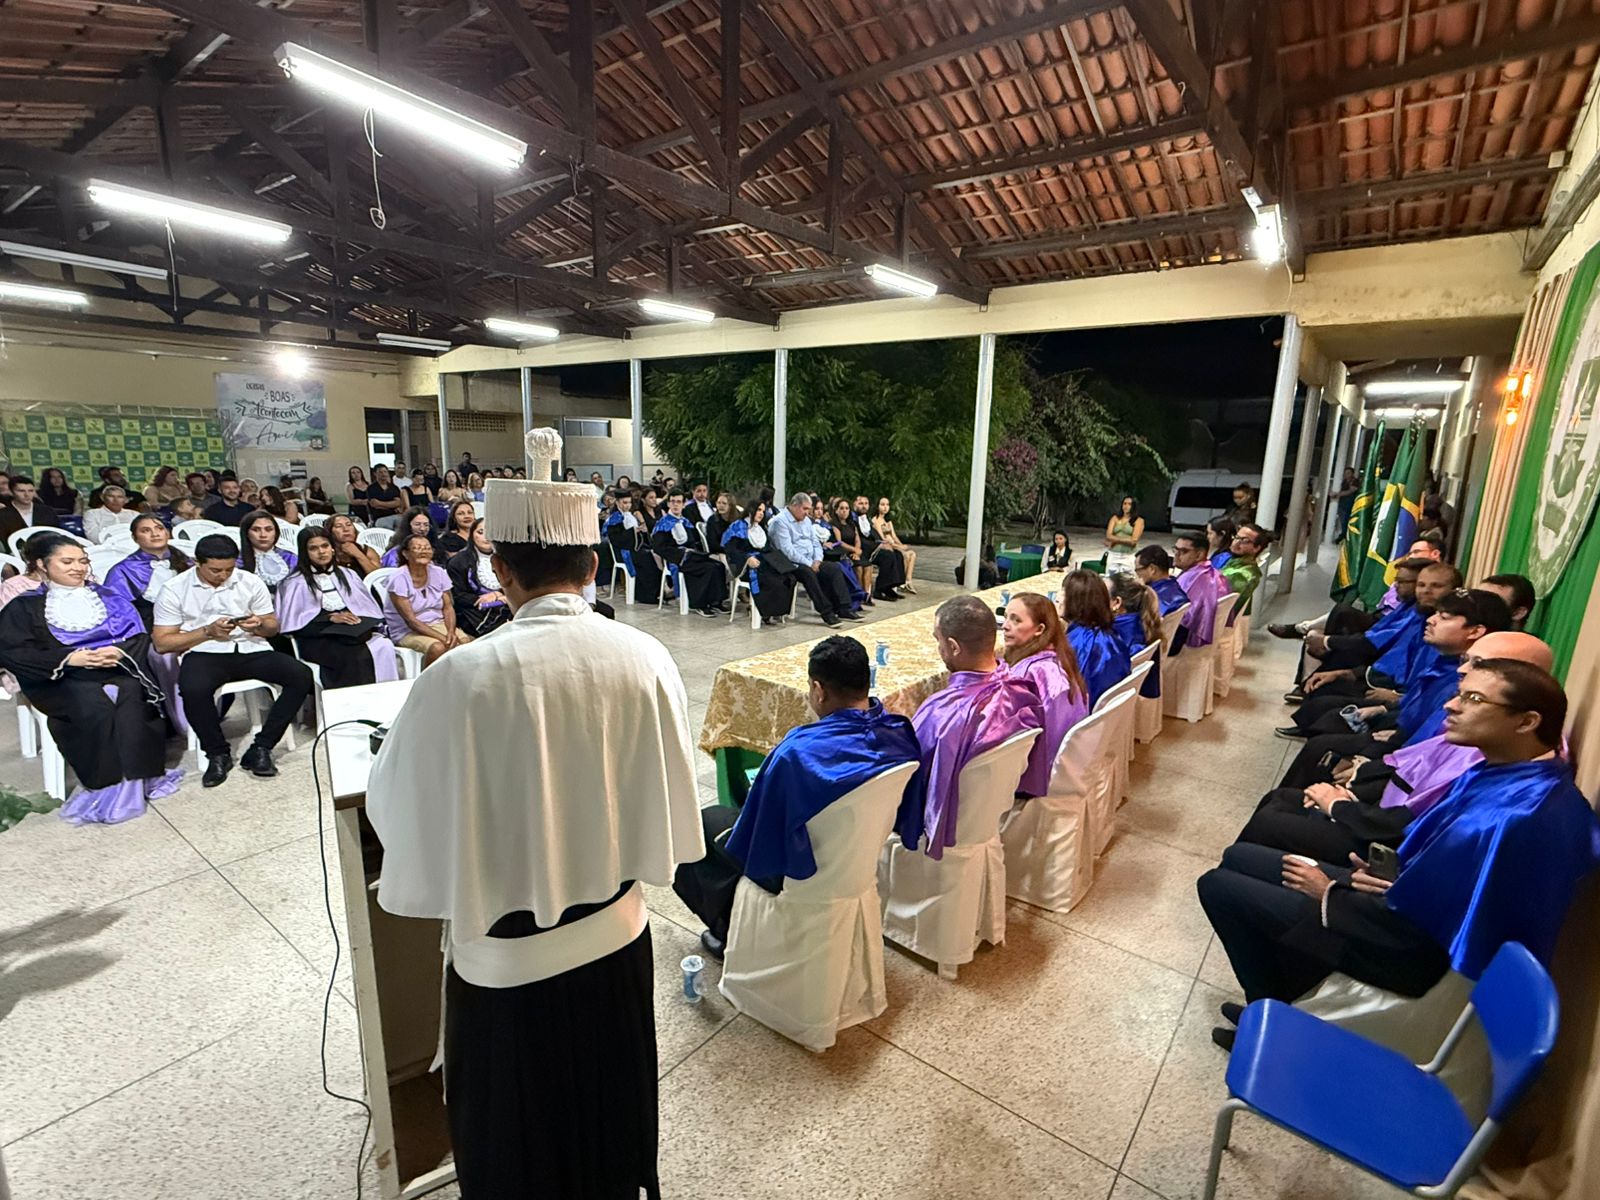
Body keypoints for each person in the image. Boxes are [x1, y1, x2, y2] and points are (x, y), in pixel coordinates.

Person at [365, 431, 703, 1198]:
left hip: (507, 965)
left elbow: (394, 804)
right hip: (617, 936)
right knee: (609, 1108)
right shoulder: (644, 654)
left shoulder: (462, 675)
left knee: (517, 1133)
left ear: (499, 570)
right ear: (592, 566)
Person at [1198, 659, 1600, 1052]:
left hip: (1412, 951)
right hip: (1400, 904)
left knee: (1218, 887)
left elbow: (1445, 931)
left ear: (1526, 721)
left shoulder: (1516, 815)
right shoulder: (1515, 776)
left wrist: (1330, 894)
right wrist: (1392, 877)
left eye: (1473, 698)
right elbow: (1457, 884)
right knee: (1240, 858)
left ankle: (1271, 1023)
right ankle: (1275, 1003)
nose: (1451, 704)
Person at [673, 636, 925, 957]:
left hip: (803, 871)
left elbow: (758, 834)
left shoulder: (797, 753)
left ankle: (729, 931)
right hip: (860, 857)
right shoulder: (900, 730)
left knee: (704, 828)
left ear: (818, 690)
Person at [1234, 632, 1555, 865]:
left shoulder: (1496, 753)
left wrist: (1343, 806)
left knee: (1275, 816)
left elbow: (1415, 824)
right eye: (1467, 660)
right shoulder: (1487, 731)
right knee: (1281, 797)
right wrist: (1359, 782)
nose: (1463, 671)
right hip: (1382, 815)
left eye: (1480, 664)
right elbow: (1417, 762)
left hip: (1389, 847)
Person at [0, 533, 179, 824]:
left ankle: (137, 780)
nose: (78, 568)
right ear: (42, 565)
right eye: (67, 561)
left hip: (117, 667)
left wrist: (117, 653)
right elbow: (13, 650)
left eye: (83, 561)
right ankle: (104, 784)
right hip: (59, 677)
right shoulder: (24, 605)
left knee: (132, 695)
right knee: (92, 703)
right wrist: (70, 659)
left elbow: (138, 635)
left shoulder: (108, 596)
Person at [1277, 588, 1513, 776]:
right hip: (1397, 732)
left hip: (1406, 768)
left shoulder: (1464, 685)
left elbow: (1428, 748)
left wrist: (1367, 763)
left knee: (1321, 747)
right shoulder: (1444, 658)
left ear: (1476, 631)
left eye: (1443, 617)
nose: (1432, 620)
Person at [152, 534, 313, 786]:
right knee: (194, 688)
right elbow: (162, 642)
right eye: (215, 570)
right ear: (198, 562)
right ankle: (217, 753)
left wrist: (259, 624)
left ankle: (262, 747)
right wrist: (206, 631)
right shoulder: (175, 589)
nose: (223, 575)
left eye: (229, 569)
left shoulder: (248, 581)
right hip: (204, 650)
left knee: (301, 675)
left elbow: (273, 626)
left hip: (250, 646)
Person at [908, 596, 1043, 857]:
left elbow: (909, 778)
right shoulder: (1022, 689)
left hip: (952, 826)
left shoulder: (941, 712)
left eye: (938, 640)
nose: (939, 648)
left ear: (953, 646)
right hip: (988, 817)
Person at [274, 526, 397, 690]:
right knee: (351, 655)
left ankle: (385, 700)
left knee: (383, 645)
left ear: (332, 548)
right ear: (304, 552)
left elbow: (366, 608)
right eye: (313, 548)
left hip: (352, 632)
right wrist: (329, 618)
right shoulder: (294, 582)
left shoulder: (348, 574)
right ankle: (353, 710)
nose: (321, 552)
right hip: (316, 638)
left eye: (325, 546)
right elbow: (294, 625)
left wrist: (358, 619)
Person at [1001, 593, 1089, 796]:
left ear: (1040, 629)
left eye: (1016, 620)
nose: (1005, 625)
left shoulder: (1030, 673)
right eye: (1006, 617)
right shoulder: (1059, 658)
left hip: (1037, 773)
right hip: (1066, 763)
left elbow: (1007, 732)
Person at [768, 492, 858, 627]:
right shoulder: (780, 522)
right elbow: (787, 551)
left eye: (809, 509)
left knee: (834, 568)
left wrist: (817, 560)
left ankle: (844, 608)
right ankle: (827, 613)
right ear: (794, 506)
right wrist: (810, 564)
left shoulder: (806, 521)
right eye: (804, 509)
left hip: (812, 560)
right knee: (808, 573)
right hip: (792, 563)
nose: (807, 513)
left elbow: (815, 542)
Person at [382, 532, 470, 667]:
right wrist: (443, 638)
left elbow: (448, 607)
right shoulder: (398, 578)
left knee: (465, 642)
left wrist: (451, 632)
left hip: (437, 623)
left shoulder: (439, 572)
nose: (423, 551)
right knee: (438, 647)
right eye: (417, 548)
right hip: (407, 631)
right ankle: (427, 683)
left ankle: (456, 681)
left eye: (427, 548)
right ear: (405, 554)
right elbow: (411, 621)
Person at [1058, 568, 1132, 706]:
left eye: (1063, 592)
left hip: (1079, 716)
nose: (1058, 598)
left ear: (1076, 601)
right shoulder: (1112, 635)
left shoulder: (1079, 643)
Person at [104, 513, 191, 629]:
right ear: (135, 538)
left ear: (167, 533)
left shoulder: (186, 562)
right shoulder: (123, 570)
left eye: (159, 528)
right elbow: (114, 608)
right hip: (146, 625)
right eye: (146, 531)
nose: (155, 534)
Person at [650, 490, 728, 618]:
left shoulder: (685, 522)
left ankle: (715, 601)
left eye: (679, 502)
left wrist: (695, 552)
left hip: (692, 555)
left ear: (683, 504)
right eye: (673, 502)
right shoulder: (663, 524)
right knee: (707, 568)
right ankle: (699, 604)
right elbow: (659, 548)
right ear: (668, 504)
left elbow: (693, 541)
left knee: (718, 565)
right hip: (676, 559)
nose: (676, 505)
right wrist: (681, 554)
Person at [720, 499, 794, 626]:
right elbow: (731, 550)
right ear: (750, 510)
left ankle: (775, 612)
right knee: (770, 580)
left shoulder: (761, 529)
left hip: (763, 563)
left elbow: (768, 549)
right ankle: (764, 612)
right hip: (745, 566)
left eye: (763, 511)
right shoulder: (738, 526)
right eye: (759, 510)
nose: (761, 514)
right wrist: (747, 559)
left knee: (788, 578)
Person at [447, 519, 512, 638]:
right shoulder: (458, 562)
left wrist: (499, 594)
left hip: (506, 602)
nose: (486, 537)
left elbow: (517, 584)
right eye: (480, 532)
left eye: (490, 532)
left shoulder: (508, 557)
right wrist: (487, 599)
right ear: (472, 535)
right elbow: (458, 595)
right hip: (473, 610)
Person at [604, 493, 664, 603]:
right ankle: (647, 595)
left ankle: (659, 591)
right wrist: (633, 531)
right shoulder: (615, 519)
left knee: (654, 553)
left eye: (629, 502)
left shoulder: (629, 515)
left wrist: (642, 530)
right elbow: (617, 539)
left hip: (634, 548)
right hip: (623, 551)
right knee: (647, 559)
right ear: (617, 502)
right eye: (625, 502)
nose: (628, 505)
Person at [1172, 532, 1224, 649]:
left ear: (1199, 555)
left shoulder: (1192, 578)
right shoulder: (1209, 570)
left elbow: (1178, 616)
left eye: (1183, 551)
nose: (1176, 555)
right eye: (1175, 549)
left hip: (1186, 638)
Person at [237, 510, 298, 591]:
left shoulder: (289, 557)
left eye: (268, 529)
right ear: (246, 533)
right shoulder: (237, 560)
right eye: (256, 530)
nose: (263, 535)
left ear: (276, 533)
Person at [1219, 522, 1270, 616]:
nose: (1237, 542)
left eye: (1245, 540)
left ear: (1256, 548)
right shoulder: (1233, 560)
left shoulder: (1245, 574)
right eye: (1237, 537)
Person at [872, 497, 918, 593]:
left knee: (911, 554)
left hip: (894, 544)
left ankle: (907, 581)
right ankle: (900, 582)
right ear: (877, 506)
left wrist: (902, 545)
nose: (885, 507)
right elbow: (882, 538)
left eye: (887, 505)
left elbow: (894, 536)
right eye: (882, 504)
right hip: (886, 546)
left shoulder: (888, 521)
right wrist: (898, 547)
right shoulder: (875, 521)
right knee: (904, 556)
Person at [0, 476, 63, 541]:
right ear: (11, 492)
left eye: (30, 491)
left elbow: (56, 534)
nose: (27, 494)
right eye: (21, 491)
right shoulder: (2, 515)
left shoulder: (47, 511)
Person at [327, 513, 380, 577]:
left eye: (349, 525)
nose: (346, 529)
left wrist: (358, 554)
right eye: (339, 526)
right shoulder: (327, 551)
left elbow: (377, 577)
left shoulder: (366, 550)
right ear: (330, 532)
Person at [1104, 496, 1144, 571]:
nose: (1126, 506)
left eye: (1129, 504)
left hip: (1128, 555)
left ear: (1133, 506)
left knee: (1128, 579)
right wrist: (1127, 539)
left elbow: (1133, 541)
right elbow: (1108, 535)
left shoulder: (1139, 520)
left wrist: (1115, 540)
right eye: (1124, 504)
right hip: (1114, 554)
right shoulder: (1115, 518)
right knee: (1110, 577)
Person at [366, 465, 406, 529]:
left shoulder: (394, 488)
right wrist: (392, 504)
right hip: (380, 518)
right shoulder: (371, 488)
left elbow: (398, 503)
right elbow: (374, 504)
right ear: (375, 474)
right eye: (380, 472)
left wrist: (381, 504)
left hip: (395, 515)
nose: (383, 474)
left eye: (385, 472)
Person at [1332, 467, 1358, 540]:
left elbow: (1351, 491)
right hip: (1342, 503)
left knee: (1346, 520)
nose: (1346, 475)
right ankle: (1343, 534)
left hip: (1349, 504)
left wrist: (1338, 494)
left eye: (1348, 473)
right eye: (1346, 473)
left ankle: (1344, 535)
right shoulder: (1344, 481)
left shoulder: (1354, 481)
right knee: (1342, 519)